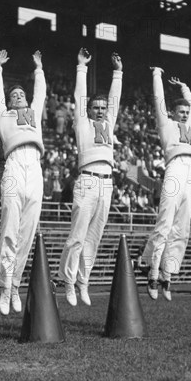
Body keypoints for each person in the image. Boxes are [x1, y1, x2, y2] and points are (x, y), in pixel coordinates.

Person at [58, 48, 123, 307]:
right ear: (88, 110)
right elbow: (79, 95)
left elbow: (115, 100)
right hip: (86, 179)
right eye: (95, 107)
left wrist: (118, 72)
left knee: (93, 238)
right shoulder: (82, 124)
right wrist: (82, 66)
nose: (99, 110)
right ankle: (68, 281)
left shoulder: (108, 123)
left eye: (102, 107)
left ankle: (84, 281)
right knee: (77, 235)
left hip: (106, 182)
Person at [0, 49, 46, 316]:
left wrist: (38, 68)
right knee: (10, 226)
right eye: (14, 96)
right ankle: (4, 285)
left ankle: (15, 284)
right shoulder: (5, 116)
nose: (17, 96)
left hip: (34, 166)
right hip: (13, 164)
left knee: (27, 231)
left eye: (21, 94)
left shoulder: (34, 113)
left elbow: (41, 93)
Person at [140, 69, 191, 302]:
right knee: (165, 223)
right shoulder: (167, 125)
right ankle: (152, 273)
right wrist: (156, 76)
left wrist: (185, 87)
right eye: (180, 112)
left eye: (186, 112)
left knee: (181, 228)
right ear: (172, 114)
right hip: (174, 169)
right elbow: (159, 100)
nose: (184, 115)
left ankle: (167, 275)